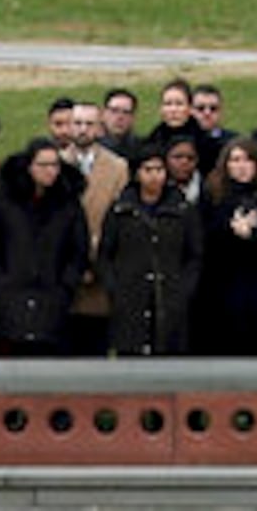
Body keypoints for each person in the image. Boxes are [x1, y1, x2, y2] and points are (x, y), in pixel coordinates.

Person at [0, 140, 93, 356]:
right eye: (43, 165)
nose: (51, 171)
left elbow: (78, 247)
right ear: (29, 166)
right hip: (9, 294)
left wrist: (67, 283)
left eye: (55, 165)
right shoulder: (3, 201)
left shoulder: (68, 204)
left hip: (53, 295)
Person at [193, 138, 257, 355]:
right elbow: (203, 242)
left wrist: (255, 235)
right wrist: (231, 232)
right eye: (235, 160)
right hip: (223, 292)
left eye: (248, 160)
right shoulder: (212, 197)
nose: (241, 166)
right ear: (226, 165)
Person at [97, 146, 199, 357]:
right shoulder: (120, 210)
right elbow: (105, 254)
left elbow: (194, 255)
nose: (154, 176)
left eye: (159, 169)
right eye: (148, 170)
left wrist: (183, 290)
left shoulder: (182, 210)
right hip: (130, 302)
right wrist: (116, 289)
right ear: (137, 173)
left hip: (169, 301)